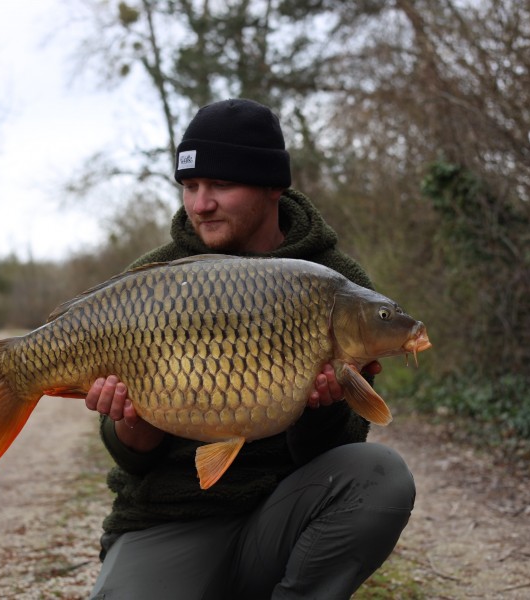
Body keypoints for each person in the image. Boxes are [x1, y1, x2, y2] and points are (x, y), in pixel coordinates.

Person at [85, 98, 415, 599]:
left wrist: (320, 410)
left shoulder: (337, 284)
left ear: (272, 186)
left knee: (381, 477)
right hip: (172, 519)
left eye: (220, 184)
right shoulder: (154, 278)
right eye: (190, 187)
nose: (200, 204)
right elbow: (133, 461)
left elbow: (342, 443)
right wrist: (130, 419)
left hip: (283, 516)